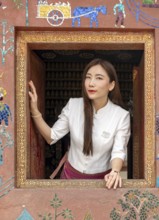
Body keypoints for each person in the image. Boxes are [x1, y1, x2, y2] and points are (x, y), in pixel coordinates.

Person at [28, 58, 130, 189]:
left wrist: (115, 172)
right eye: (88, 77)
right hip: (70, 178)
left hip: (102, 183)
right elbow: (51, 136)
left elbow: (118, 151)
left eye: (99, 78)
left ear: (111, 85)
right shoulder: (73, 105)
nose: (91, 83)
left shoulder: (121, 116)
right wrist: (34, 110)